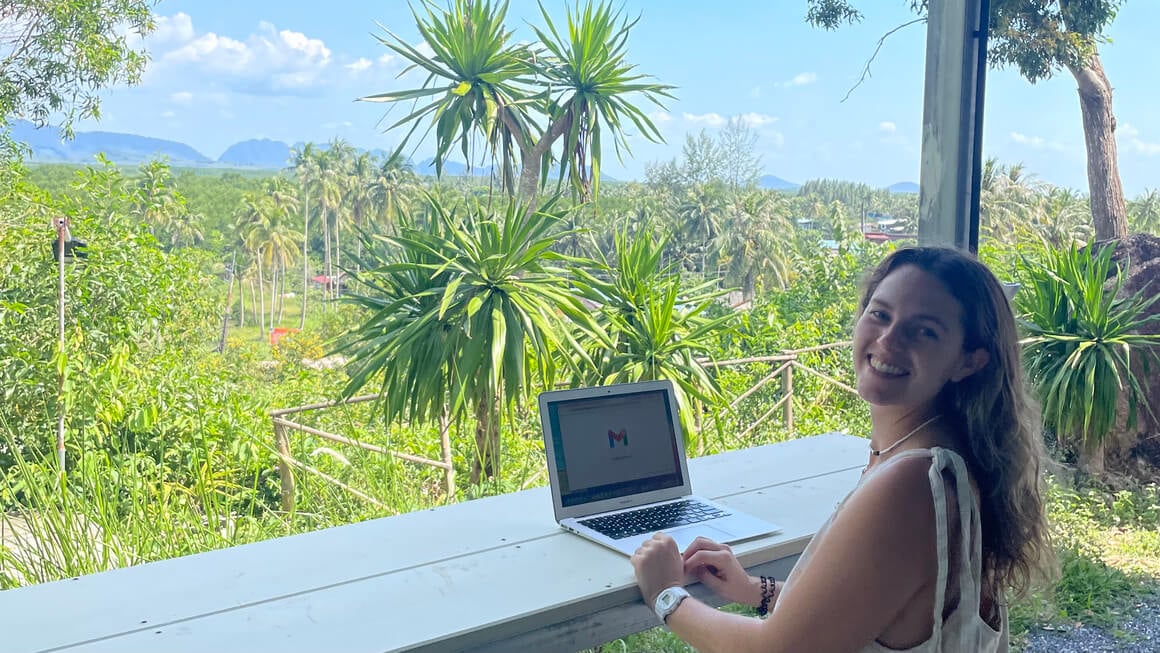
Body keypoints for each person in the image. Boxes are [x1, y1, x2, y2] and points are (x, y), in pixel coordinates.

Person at [631, 246, 1051, 653]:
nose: (889, 340)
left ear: (968, 361)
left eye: (924, 331)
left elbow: (776, 651)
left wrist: (666, 595)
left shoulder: (913, 482)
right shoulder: (946, 455)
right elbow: (866, 608)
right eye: (880, 314)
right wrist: (753, 589)